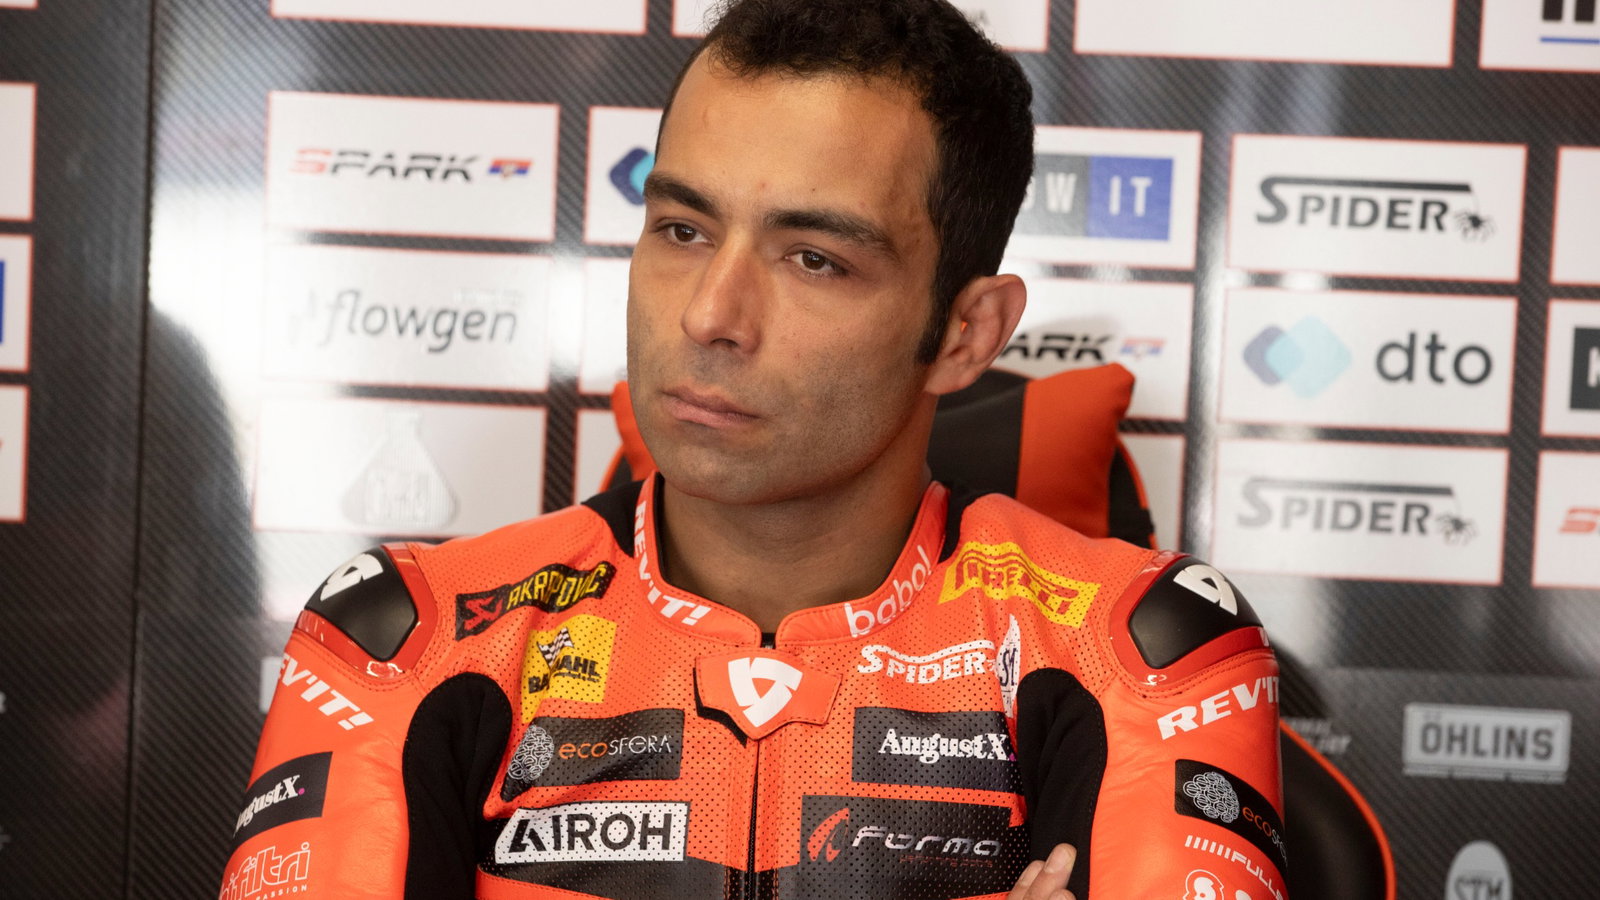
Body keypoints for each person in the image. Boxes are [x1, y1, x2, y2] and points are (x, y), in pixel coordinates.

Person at [220, 1, 1286, 898]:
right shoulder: (403, 638)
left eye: (813, 258)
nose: (709, 315)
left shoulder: (1144, 652)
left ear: (965, 333)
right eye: (682, 230)